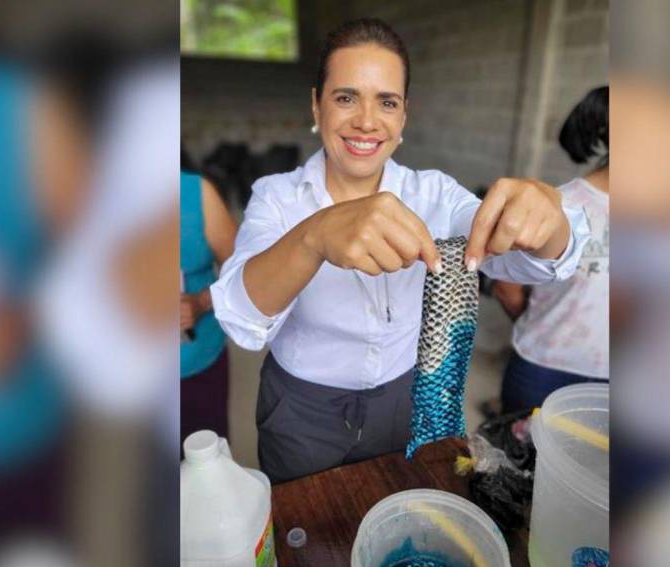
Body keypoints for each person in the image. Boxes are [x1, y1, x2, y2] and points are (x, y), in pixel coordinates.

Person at [211, 18, 590, 483]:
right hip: (301, 407)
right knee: (303, 532)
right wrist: (315, 236)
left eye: (386, 102)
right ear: (316, 105)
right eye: (345, 97)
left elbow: (525, 260)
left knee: (399, 511)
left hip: (406, 399)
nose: (367, 121)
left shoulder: (434, 195)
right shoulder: (278, 197)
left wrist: (550, 223)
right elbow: (239, 316)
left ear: (403, 115)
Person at [494, 86, 609, 413]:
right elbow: (507, 286)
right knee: (523, 462)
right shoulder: (565, 204)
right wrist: (541, 321)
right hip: (544, 369)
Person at [180, 164, 237, 446]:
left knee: (206, 467)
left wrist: (201, 302)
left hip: (196, 365)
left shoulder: (194, 192)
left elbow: (244, 273)